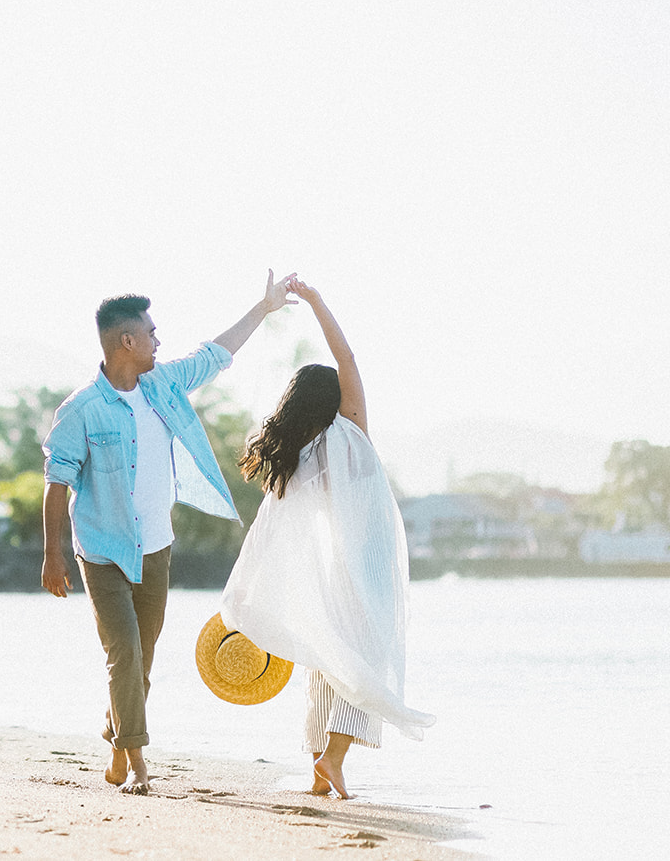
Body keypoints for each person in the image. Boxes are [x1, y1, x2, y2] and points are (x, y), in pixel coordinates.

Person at [41, 271, 297, 795]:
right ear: (126, 342)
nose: (160, 341)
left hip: (156, 547)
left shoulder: (164, 385)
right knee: (124, 654)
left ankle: (117, 744)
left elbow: (215, 354)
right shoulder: (82, 410)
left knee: (144, 657)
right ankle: (138, 764)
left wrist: (264, 307)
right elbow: (56, 484)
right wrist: (53, 554)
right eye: (152, 333)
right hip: (102, 552)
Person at [222, 278, 434, 799]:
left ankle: (322, 761)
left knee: (331, 656)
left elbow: (272, 529)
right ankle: (333, 760)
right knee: (362, 657)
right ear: (335, 398)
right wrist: (317, 301)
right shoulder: (351, 429)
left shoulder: (303, 452)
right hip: (369, 564)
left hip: (331, 566)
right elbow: (349, 357)